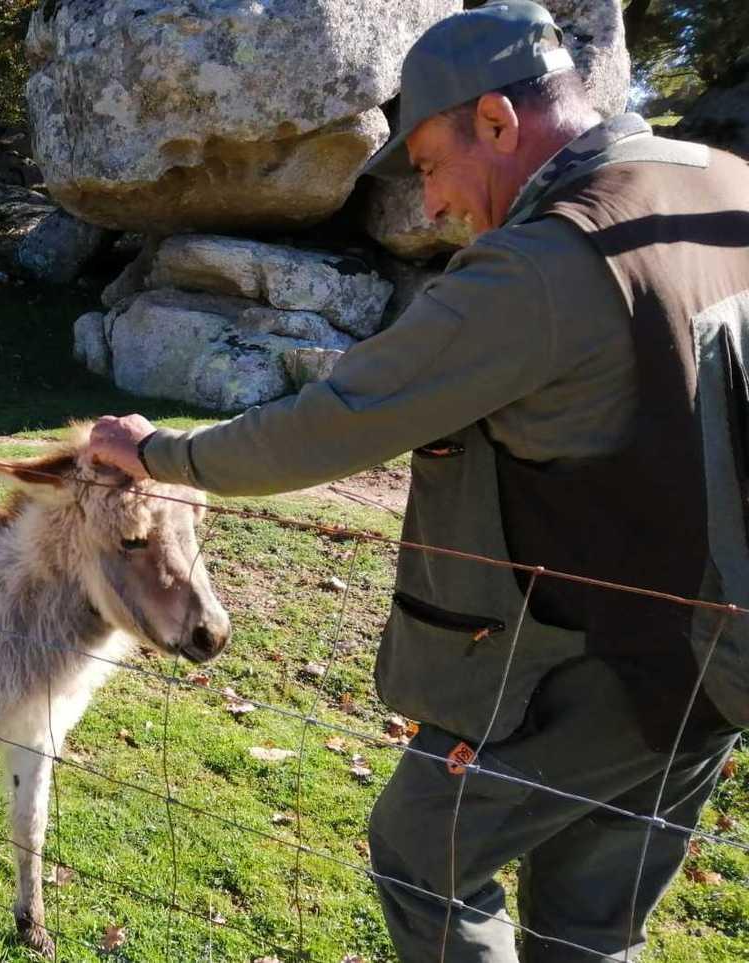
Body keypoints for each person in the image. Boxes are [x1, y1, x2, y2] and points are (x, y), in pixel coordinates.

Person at [87, 2, 749, 959]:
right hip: (717, 663)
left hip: (601, 665)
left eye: (432, 165)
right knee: (588, 924)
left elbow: (334, 423)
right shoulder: (721, 183)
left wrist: (157, 455)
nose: (433, 206)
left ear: (497, 120)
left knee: (419, 848)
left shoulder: (543, 266)